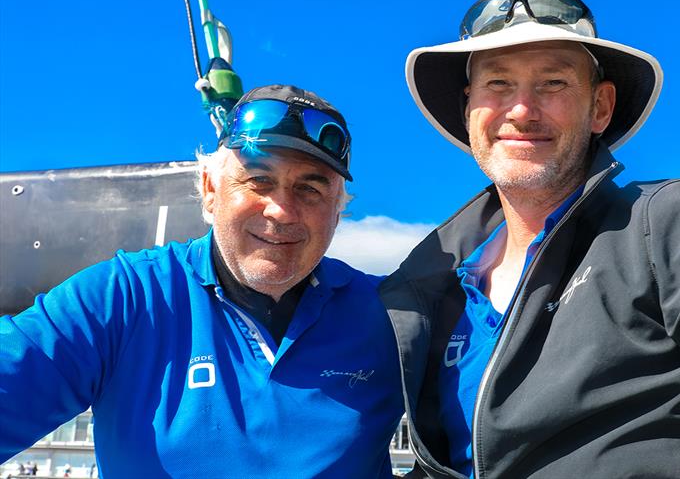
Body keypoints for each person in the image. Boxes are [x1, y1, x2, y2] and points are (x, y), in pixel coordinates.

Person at [380, 0, 680, 478]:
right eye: (497, 83)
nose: (521, 109)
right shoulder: (431, 287)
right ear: (469, 110)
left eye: (553, 83)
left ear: (600, 108)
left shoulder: (667, 222)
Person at [0, 84, 404, 477]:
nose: (282, 210)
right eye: (258, 180)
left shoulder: (390, 315)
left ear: (338, 210)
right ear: (211, 190)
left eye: (310, 188)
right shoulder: (125, 298)